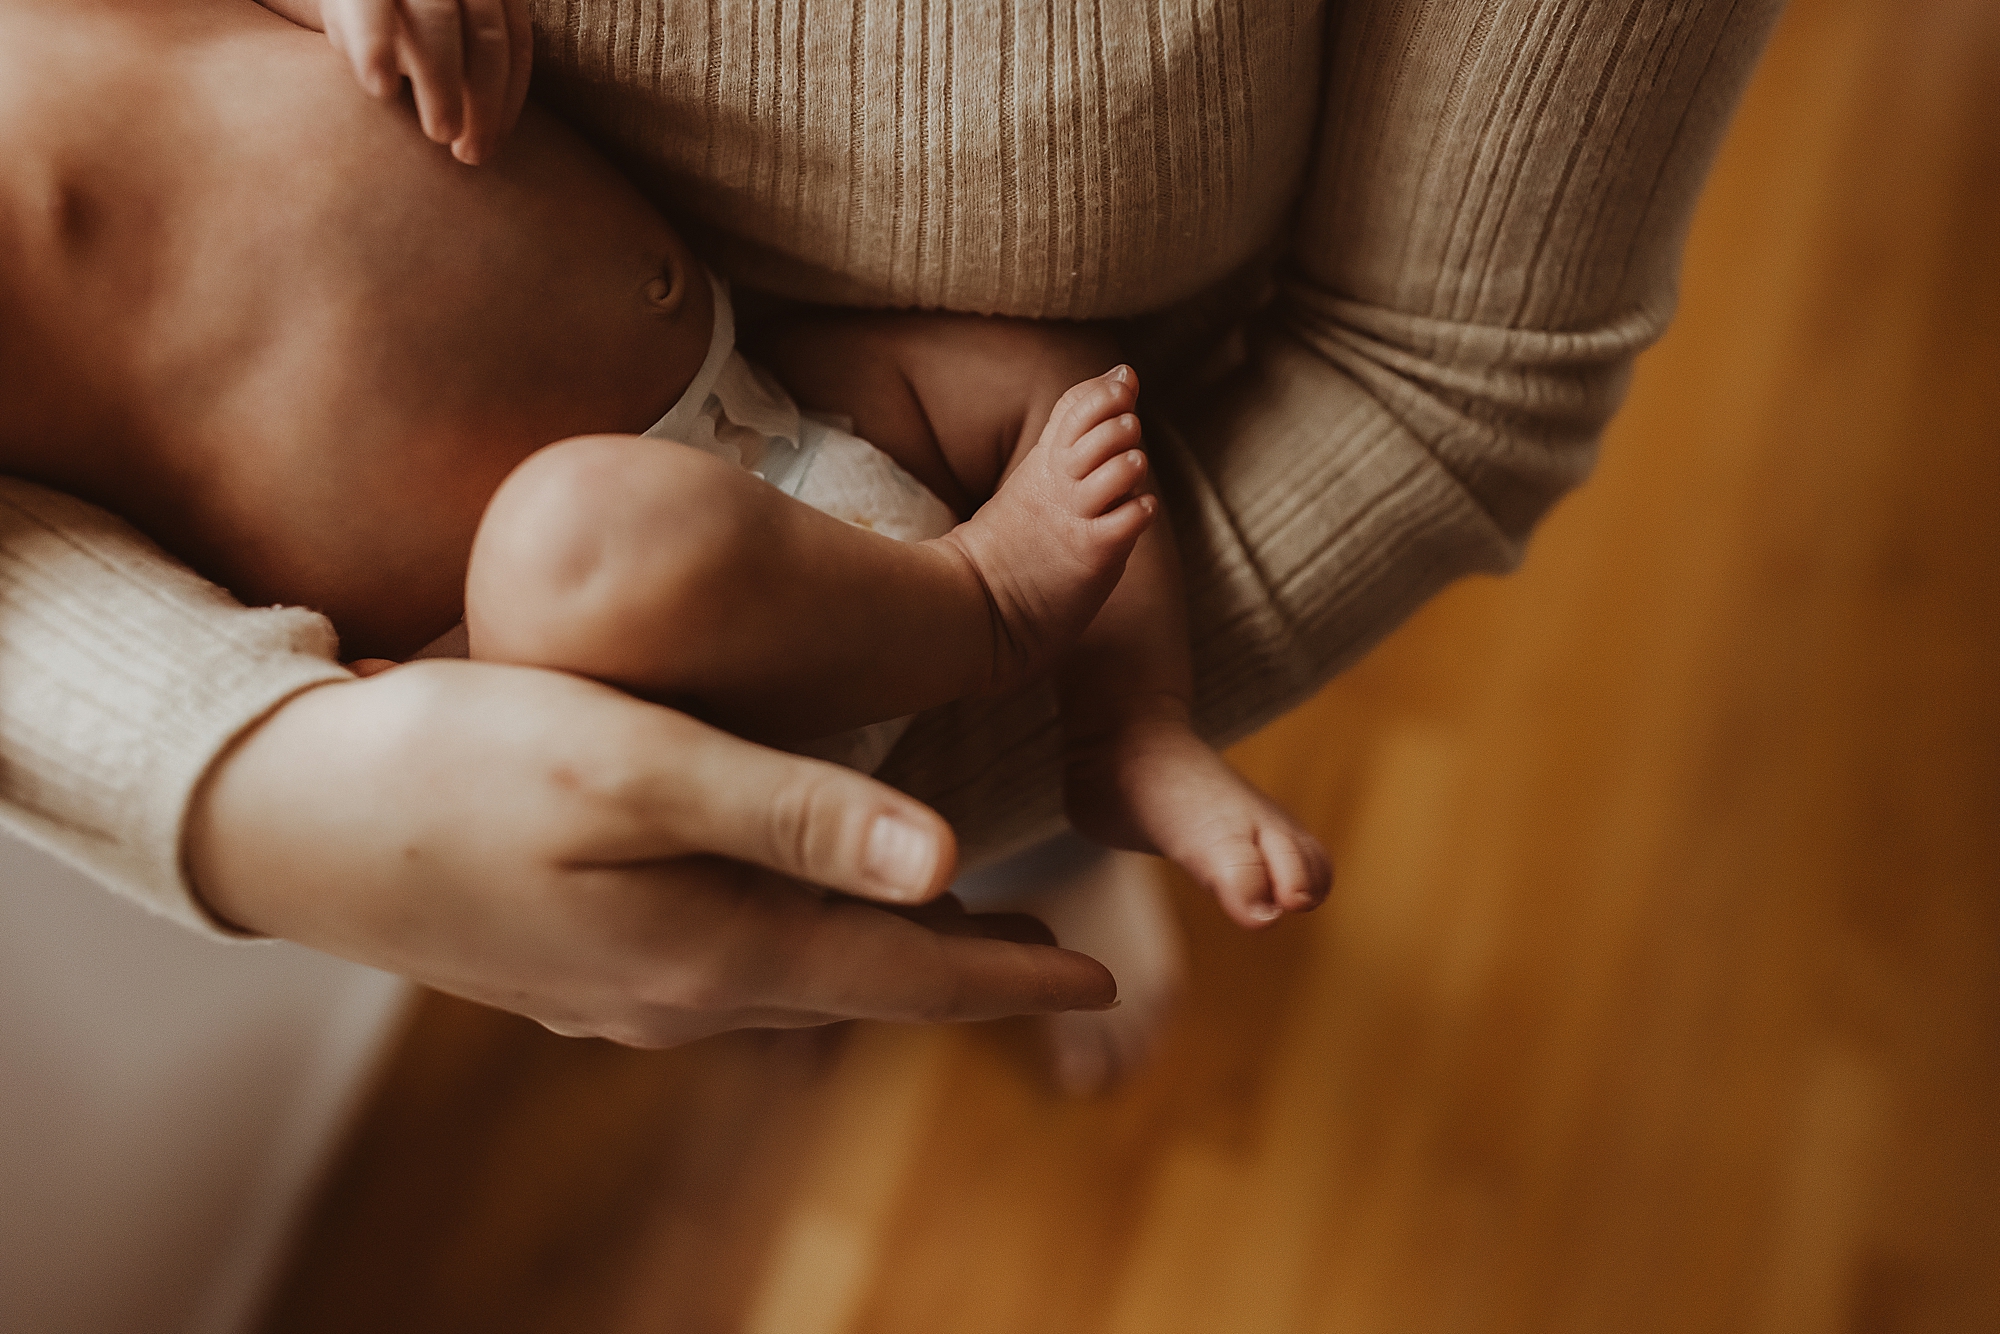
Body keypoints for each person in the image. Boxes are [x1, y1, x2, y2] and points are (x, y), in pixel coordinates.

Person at [0, 0, 1787, 1054]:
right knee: (581, 531)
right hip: (602, 636)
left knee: (1063, 395)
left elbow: (1444, 382)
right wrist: (229, 784)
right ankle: (997, 624)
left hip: (785, 388)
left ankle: (1120, 730)